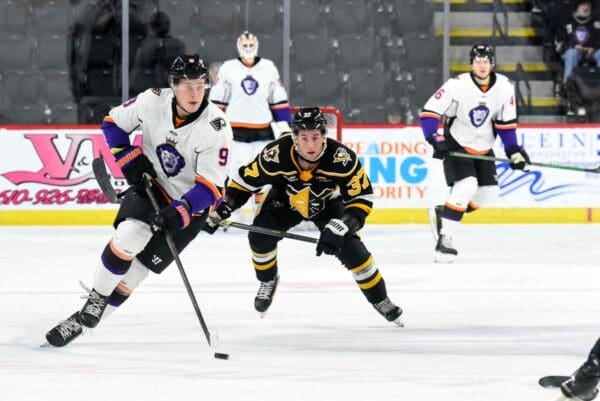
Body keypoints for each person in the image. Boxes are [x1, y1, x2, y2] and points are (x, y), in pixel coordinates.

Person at [44, 55, 232, 347]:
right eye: (187, 86)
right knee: (130, 236)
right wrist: (129, 158)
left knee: (133, 276)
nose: (195, 93)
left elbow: (211, 188)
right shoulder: (152, 101)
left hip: (190, 206)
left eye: (200, 85)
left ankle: (79, 322)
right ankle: (97, 297)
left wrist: (180, 211)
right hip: (152, 187)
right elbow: (112, 124)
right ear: (173, 85)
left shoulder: (216, 128)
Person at [202, 107, 403, 326]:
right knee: (260, 235)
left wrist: (344, 225)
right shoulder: (275, 153)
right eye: (304, 138)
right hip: (285, 200)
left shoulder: (342, 158)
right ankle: (268, 279)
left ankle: (381, 300)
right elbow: (243, 183)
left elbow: (362, 197)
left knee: (353, 252)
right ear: (294, 137)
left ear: (324, 136)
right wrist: (222, 208)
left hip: (327, 204)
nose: (310, 145)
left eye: (316, 137)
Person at [419, 44, 531, 263]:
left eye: (486, 61)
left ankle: (445, 213)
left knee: (488, 194)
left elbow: (506, 125)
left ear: (492, 64)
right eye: (478, 61)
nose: (482, 65)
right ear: (471, 64)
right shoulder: (456, 85)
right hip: (457, 144)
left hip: (484, 149)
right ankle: (445, 241)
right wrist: (434, 138)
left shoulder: (505, 87)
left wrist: (514, 151)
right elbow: (429, 113)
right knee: (467, 186)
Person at [209, 31, 292, 217]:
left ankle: (261, 215)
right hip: (234, 134)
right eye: (245, 46)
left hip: (263, 133)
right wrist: (213, 128)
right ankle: (227, 214)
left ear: (257, 46)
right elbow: (217, 102)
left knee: (264, 177)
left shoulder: (269, 67)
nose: (248, 49)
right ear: (239, 47)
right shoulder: (228, 68)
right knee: (232, 175)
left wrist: (284, 126)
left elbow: (277, 99)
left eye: (251, 45)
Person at [130, 11, 185, 94]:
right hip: (167, 90)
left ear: (151, 27)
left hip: (152, 89)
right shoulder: (178, 44)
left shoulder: (147, 45)